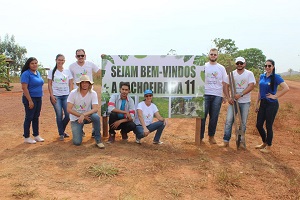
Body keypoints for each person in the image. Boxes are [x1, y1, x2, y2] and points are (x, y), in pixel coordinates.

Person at [219, 57, 256, 148]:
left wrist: (241, 94)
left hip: (245, 102)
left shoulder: (249, 74)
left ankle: (241, 141)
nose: (239, 65)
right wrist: (228, 98)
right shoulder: (231, 74)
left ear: (244, 64)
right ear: (236, 64)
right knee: (229, 121)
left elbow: (251, 86)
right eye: (237, 63)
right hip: (233, 102)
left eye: (241, 63)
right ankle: (226, 141)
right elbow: (226, 86)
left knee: (243, 122)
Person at [255, 59, 289, 153]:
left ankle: (269, 146)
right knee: (258, 124)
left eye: (269, 66)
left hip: (272, 104)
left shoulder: (276, 77)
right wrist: (257, 103)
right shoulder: (262, 76)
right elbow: (259, 91)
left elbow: (286, 88)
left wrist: (276, 96)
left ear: (273, 67)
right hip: (263, 103)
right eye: (265, 66)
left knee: (268, 125)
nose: (267, 67)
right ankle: (264, 142)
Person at [69, 49, 102, 137]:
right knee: (78, 110)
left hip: (89, 93)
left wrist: (104, 61)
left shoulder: (90, 64)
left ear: (85, 56)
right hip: (77, 93)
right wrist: (71, 91)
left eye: (82, 55)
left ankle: (94, 131)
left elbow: (100, 72)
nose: (80, 57)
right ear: (76, 57)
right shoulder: (72, 66)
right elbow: (70, 79)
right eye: (78, 56)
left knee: (94, 115)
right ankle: (81, 130)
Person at [67, 75, 105, 149]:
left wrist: (83, 115)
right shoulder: (73, 93)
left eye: (86, 82)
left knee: (96, 117)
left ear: (89, 84)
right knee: (77, 142)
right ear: (80, 84)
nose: (84, 84)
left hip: (87, 116)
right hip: (76, 118)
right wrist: (80, 115)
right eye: (83, 82)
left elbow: (95, 108)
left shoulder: (93, 93)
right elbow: (69, 109)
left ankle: (98, 139)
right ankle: (80, 131)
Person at [200, 48, 227, 144]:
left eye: (215, 54)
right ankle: (200, 137)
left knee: (214, 117)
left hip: (217, 95)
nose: (213, 56)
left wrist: (224, 95)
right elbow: (199, 80)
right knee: (202, 117)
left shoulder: (221, 68)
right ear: (209, 55)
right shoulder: (203, 67)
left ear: (217, 56)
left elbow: (224, 83)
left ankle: (211, 136)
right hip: (205, 94)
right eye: (211, 54)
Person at [48, 54, 73, 141]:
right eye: (59, 60)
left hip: (66, 95)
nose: (60, 62)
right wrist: (51, 95)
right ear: (56, 60)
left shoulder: (67, 71)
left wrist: (70, 94)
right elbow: (50, 84)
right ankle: (61, 133)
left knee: (68, 115)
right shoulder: (52, 71)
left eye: (62, 60)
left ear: (64, 61)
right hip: (56, 96)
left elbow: (70, 83)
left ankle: (61, 129)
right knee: (59, 114)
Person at [20, 57, 45, 144]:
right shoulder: (26, 74)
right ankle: (26, 137)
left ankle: (36, 135)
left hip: (38, 97)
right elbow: (24, 88)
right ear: (28, 64)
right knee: (29, 117)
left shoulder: (37, 73)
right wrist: (30, 100)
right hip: (30, 98)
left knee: (36, 117)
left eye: (35, 63)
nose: (34, 65)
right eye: (32, 63)